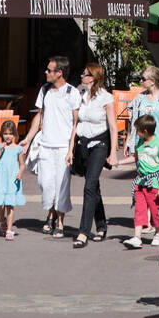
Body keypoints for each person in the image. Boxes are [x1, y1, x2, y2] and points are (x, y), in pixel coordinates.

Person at [21, 57, 80, 238]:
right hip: (45, 144)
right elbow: (39, 116)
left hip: (63, 146)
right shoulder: (45, 90)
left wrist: (71, 149)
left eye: (49, 70)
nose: (45, 72)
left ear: (59, 73)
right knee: (45, 183)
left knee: (61, 186)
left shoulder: (72, 92)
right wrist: (28, 139)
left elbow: (76, 122)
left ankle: (59, 221)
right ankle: (51, 212)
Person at [70, 63, 118, 248]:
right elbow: (75, 123)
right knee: (93, 185)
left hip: (99, 144)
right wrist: (70, 149)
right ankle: (102, 224)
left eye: (85, 73)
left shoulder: (105, 98)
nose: (81, 75)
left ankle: (83, 232)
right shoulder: (81, 96)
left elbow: (113, 127)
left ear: (94, 77)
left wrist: (113, 152)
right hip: (83, 144)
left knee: (89, 186)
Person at [123, 114, 159, 250]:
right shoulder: (140, 143)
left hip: (154, 183)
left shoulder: (158, 145)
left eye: (138, 130)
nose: (136, 133)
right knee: (139, 209)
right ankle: (137, 237)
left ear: (145, 132)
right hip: (140, 181)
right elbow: (135, 157)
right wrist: (118, 162)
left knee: (156, 210)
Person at [126, 66, 159, 166]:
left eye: (144, 79)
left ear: (153, 81)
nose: (141, 80)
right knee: (143, 175)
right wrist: (128, 142)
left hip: (158, 145)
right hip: (141, 145)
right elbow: (132, 122)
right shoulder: (139, 98)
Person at [0, 118, 26, 240]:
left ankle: (9, 229)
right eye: (5, 134)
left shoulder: (18, 148)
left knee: (10, 204)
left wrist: (20, 173)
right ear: (2, 134)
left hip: (12, 179)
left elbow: (22, 164)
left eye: (10, 133)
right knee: (0, 204)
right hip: (1, 178)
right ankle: (2, 220)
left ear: (14, 134)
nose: (8, 136)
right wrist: (0, 151)